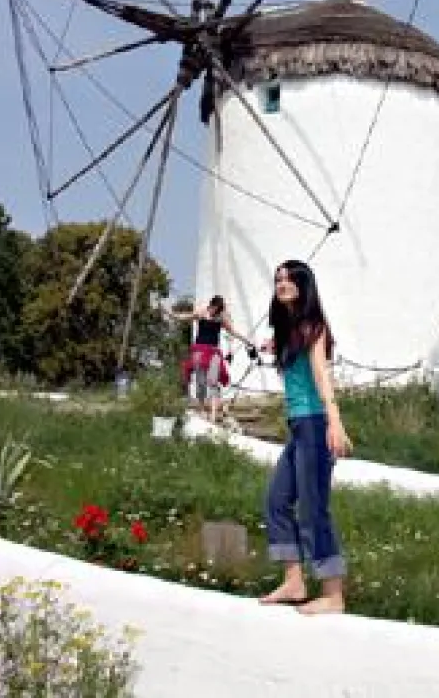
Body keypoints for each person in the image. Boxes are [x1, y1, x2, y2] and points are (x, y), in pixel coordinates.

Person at [258, 260, 352, 616]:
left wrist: (334, 421)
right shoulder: (290, 330)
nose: (282, 284)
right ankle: (294, 581)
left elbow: (321, 374)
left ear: (303, 284)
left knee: (314, 510)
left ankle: (333, 595)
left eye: (289, 279)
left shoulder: (313, 326)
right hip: (298, 426)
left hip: (315, 424)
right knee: (276, 500)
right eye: (278, 279)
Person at [163, 295, 256, 397]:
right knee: (199, 380)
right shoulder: (201, 313)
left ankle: (215, 404)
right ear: (212, 305)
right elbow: (182, 317)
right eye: (217, 309)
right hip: (199, 350)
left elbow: (233, 332)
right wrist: (168, 312)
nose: (217, 312)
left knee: (214, 380)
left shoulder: (220, 318)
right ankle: (200, 403)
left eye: (220, 310)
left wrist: (247, 341)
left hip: (213, 351)